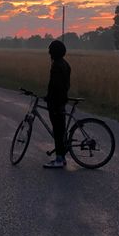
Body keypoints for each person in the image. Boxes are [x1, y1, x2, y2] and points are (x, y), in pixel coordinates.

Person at [43, 39, 71, 169]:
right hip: (62, 100)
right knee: (61, 129)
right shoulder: (65, 64)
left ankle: (59, 159)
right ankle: (62, 156)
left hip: (56, 102)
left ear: (54, 52)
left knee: (58, 130)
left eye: (50, 50)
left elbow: (54, 85)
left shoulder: (56, 65)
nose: (49, 53)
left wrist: (49, 97)